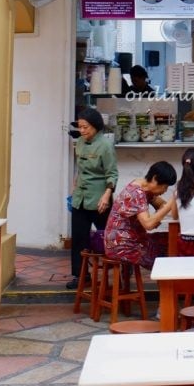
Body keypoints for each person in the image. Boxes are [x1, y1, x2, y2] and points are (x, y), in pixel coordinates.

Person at [67, 106, 118, 288]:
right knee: (79, 237)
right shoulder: (80, 142)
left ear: (95, 126)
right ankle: (80, 276)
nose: (82, 131)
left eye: (85, 127)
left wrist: (106, 195)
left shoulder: (105, 145)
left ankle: (117, 275)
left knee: (108, 238)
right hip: (80, 196)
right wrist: (75, 184)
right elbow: (80, 167)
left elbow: (112, 174)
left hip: (99, 199)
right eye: (80, 127)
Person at [104, 161, 178, 269]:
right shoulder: (136, 192)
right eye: (165, 186)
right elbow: (149, 225)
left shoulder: (144, 188)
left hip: (132, 239)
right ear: (154, 178)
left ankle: (172, 283)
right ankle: (170, 283)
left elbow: (161, 204)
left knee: (170, 239)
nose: (165, 191)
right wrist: (171, 202)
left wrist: (158, 215)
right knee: (166, 252)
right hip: (122, 245)